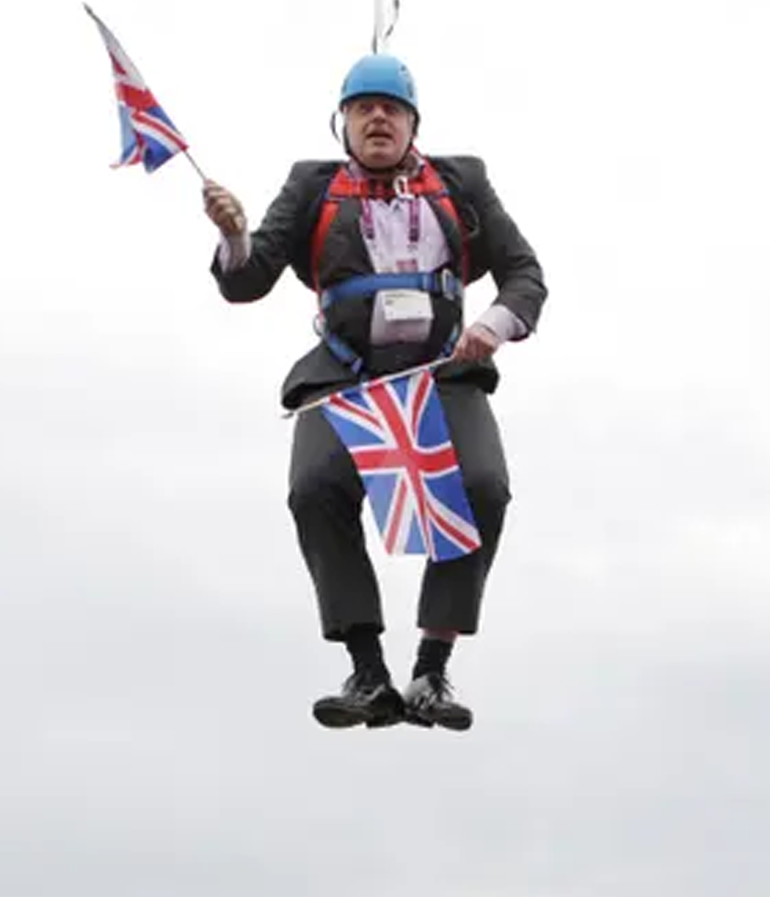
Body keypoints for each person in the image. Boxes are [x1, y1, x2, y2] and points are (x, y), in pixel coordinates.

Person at [201, 53, 547, 732]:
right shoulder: (312, 186)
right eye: (363, 108)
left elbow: (525, 274)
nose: (378, 118)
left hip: (440, 373)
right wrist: (234, 235)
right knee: (315, 486)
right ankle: (368, 671)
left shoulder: (461, 181)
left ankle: (431, 669)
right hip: (346, 372)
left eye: (391, 108)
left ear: (414, 123)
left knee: (482, 486)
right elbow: (247, 282)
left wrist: (491, 326)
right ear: (344, 123)